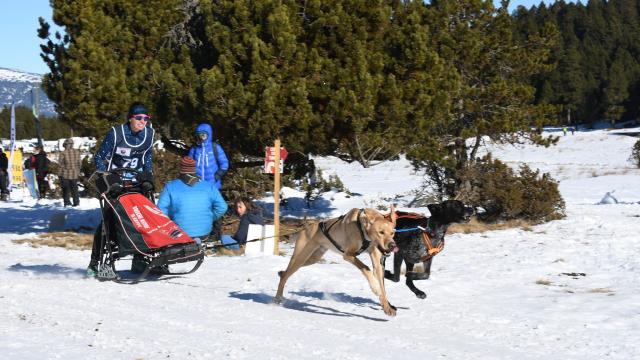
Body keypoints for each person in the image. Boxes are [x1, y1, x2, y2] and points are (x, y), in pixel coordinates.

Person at [87, 102, 155, 277]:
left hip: (135, 183)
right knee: (108, 222)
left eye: (146, 118)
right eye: (139, 118)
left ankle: (139, 259)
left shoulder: (149, 134)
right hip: (115, 184)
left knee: (141, 221)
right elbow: (100, 158)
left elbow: (147, 157)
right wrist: (108, 178)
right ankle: (95, 263)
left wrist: (147, 177)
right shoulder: (117, 133)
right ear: (131, 118)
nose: (143, 122)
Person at [156, 156, 227, 245]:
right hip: (204, 233)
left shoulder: (170, 186)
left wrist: (171, 223)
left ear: (181, 169)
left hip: (179, 234)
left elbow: (160, 211)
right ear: (194, 169)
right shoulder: (208, 186)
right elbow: (222, 207)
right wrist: (210, 217)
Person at [187, 123, 229, 242]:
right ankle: (201, 234)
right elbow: (188, 164)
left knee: (215, 209)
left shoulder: (215, 148)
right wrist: (191, 178)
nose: (202, 137)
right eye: (199, 135)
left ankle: (216, 234)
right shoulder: (194, 149)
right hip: (198, 186)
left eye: (204, 135)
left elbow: (224, 164)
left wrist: (216, 176)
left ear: (209, 135)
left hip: (213, 186)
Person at [58, 138, 82, 207]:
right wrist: (77, 171)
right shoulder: (77, 152)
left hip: (65, 174)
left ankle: (67, 203)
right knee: (75, 189)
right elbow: (80, 163)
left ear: (66, 145)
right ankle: (76, 203)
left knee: (66, 190)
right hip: (75, 174)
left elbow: (60, 164)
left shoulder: (63, 153)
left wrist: (59, 174)